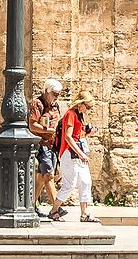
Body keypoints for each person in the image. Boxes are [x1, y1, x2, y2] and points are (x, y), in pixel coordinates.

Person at [49, 96, 95, 224]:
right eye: (88, 107)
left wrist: (87, 134)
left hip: (79, 154)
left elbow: (78, 136)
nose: (89, 110)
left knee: (86, 182)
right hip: (69, 154)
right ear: (80, 104)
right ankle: (54, 210)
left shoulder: (80, 115)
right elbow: (68, 137)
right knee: (69, 185)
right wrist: (81, 154)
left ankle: (84, 214)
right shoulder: (70, 114)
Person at [31, 78, 64, 214]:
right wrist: (47, 131)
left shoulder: (55, 106)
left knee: (41, 177)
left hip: (53, 146)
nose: (56, 97)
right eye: (54, 94)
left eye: (58, 94)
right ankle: (57, 209)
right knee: (48, 175)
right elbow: (32, 125)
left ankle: (31, 205)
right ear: (46, 91)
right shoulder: (37, 104)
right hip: (42, 145)